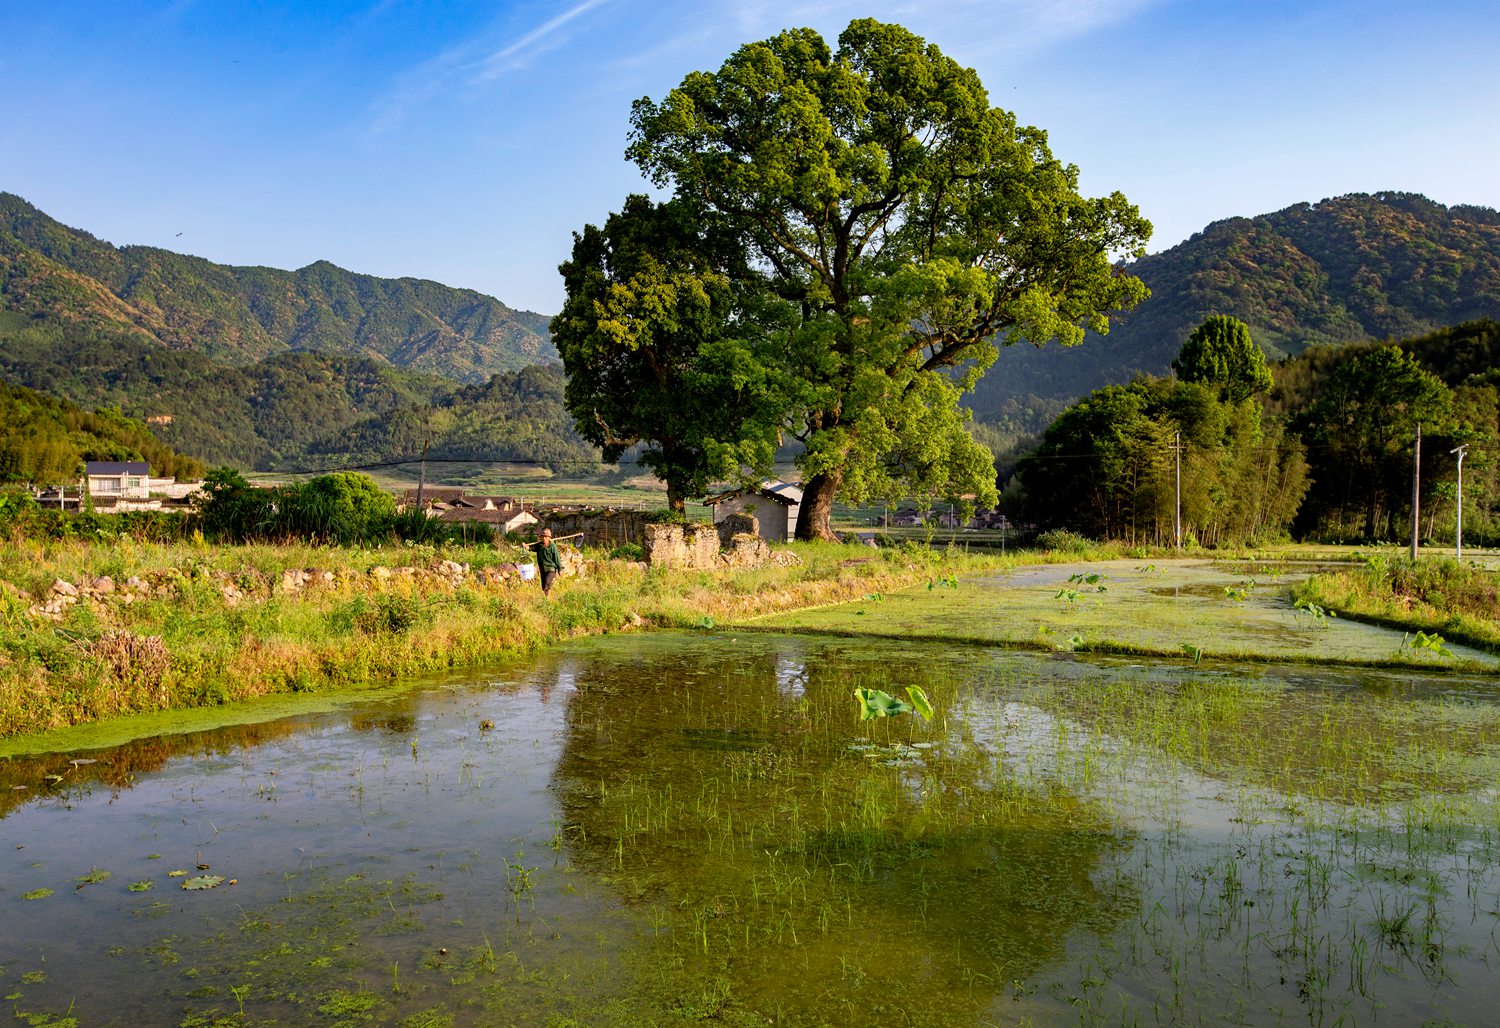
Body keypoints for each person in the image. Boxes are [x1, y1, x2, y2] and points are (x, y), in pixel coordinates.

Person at [529, 528, 565, 595]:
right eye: (542, 537)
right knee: (544, 586)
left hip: (551, 569)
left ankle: (547, 597)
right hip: (542, 569)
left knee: (547, 582)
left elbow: (557, 558)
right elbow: (531, 548)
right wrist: (525, 546)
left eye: (546, 537)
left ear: (549, 538)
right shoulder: (539, 545)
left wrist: (560, 569)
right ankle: (547, 599)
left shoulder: (552, 546)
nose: (544, 538)